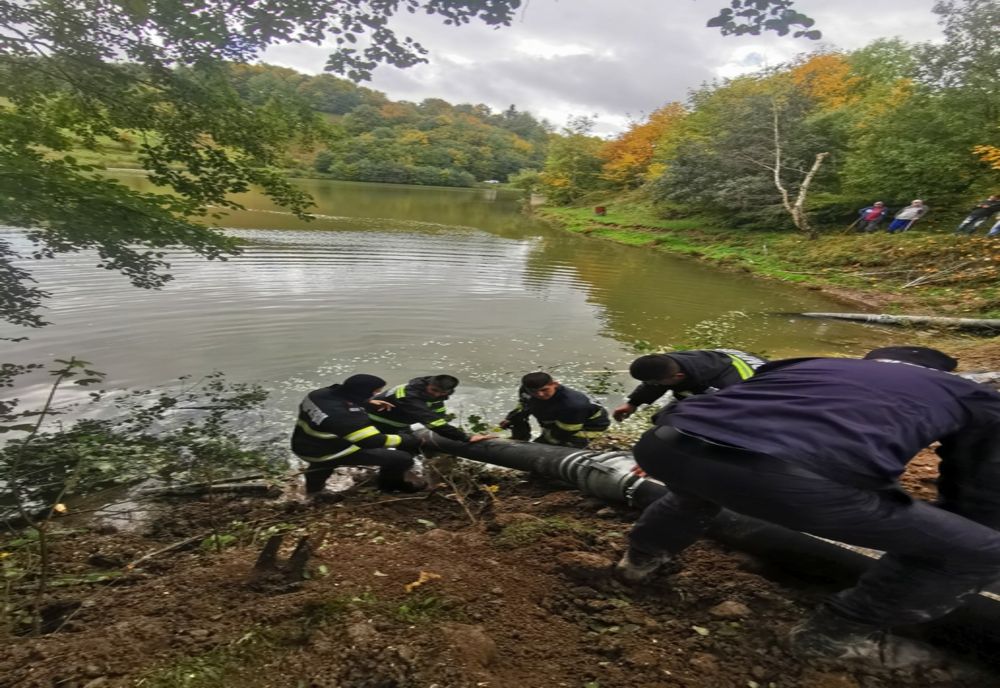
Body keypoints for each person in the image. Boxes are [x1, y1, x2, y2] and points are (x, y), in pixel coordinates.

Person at [614, 346, 1000, 668]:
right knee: (979, 550)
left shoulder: (809, 363)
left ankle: (638, 563)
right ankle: (835, 635)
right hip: (789, 479)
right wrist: (951, 537)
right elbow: (980, 489)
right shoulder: (965, 392)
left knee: (695, 492)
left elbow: (730, 406)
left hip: (667, 444)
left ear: (870, 360)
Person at [291, 373, 426, 498]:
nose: (377, 394)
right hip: (330, 451)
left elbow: (337, 401)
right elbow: (371, 441)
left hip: (304, 443)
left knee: (320, 465)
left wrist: (367, 403)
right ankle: (391, 486)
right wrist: (406, 440)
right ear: (362, 392)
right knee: (402, 459)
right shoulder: (345, 416)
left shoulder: (318, 394)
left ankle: (314, 492)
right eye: (375, 392)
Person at [612, 349, 766, 422]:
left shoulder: (729, 388)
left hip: (750, 396)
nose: (652, 385)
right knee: (661, 418)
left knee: (673, 421)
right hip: (718, 369)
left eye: (654, 382)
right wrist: (633, 403)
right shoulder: (671, 362)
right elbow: (657, 382)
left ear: (679, 376)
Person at [367, 374, 492, 444]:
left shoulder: (433, 394)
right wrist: (466, 438)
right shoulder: (409, 395)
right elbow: (431, 420)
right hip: (374, 423)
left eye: (442, 392)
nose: (436, 395)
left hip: (399, 424)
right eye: (434, 390)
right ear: (428, 384)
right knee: (408, 446)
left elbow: (437, 415)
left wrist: (445, 427)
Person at [500, 372, 610, 448]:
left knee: (554, 448)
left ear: (555, 384)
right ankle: (520, 441)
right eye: (534, 391)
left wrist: (542, 445)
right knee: (517, 420)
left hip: (587, 426)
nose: (540, 394)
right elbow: (524, 405)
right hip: (557, 416)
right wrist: (512, 418)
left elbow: (566, 431)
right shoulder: (526, 390)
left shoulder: (572, 404)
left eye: (544, 390)